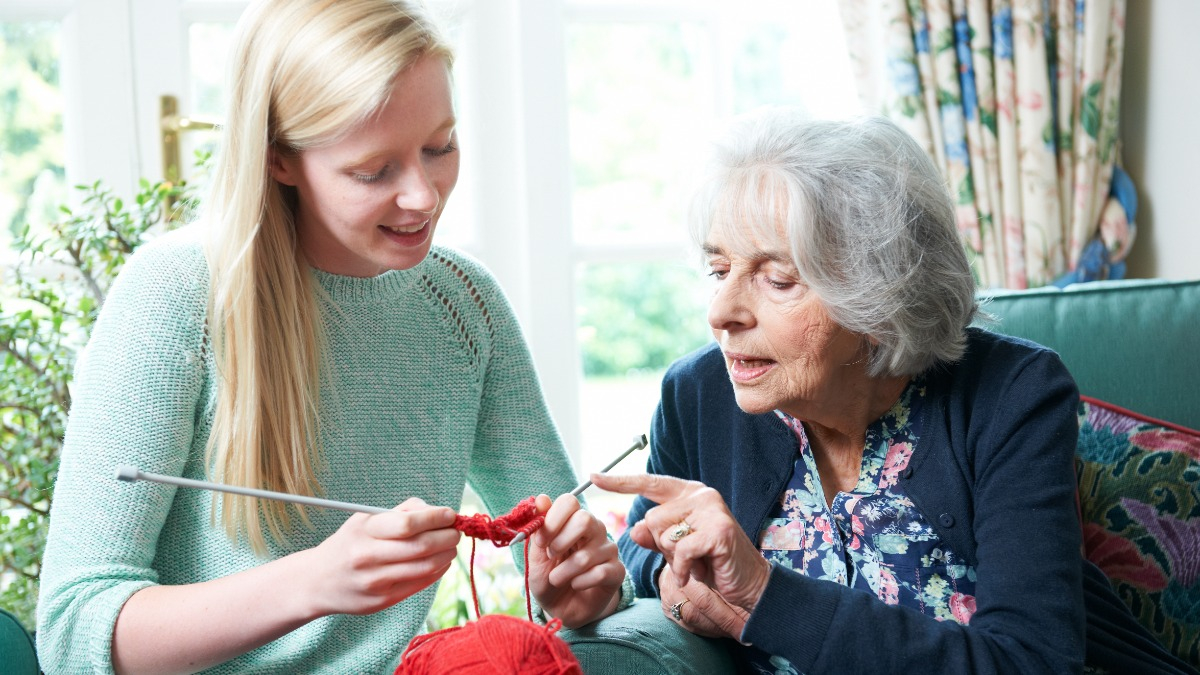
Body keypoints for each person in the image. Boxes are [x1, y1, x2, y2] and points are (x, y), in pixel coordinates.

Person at [36, 1, 626, 672]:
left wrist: (582, 587)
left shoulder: (465, 306)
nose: (424, 196)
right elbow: (70, 632)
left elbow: (570, 563)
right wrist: (312, 582)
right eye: (374, 171)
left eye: (441, 147)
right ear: (279, 159)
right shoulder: (177, 296)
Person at [591, 111, 1195, 674]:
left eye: (778, 279)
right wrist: (614, 577)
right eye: (720, 271)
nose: (721, 312)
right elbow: (649, 541)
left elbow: (1031, 660)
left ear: (880, 297)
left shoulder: (1014, 396)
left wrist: (765, 592)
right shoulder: (698, 394)